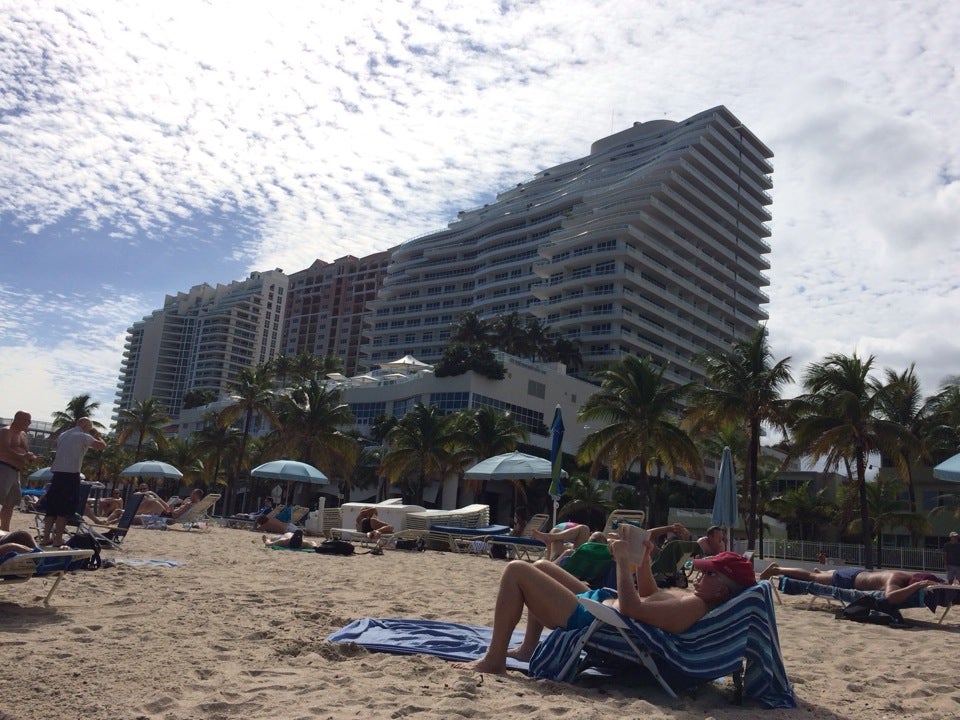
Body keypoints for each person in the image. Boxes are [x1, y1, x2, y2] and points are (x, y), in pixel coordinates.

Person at [454, 531, 757, 674]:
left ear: (722, 590)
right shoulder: (695, 601)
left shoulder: (692, 607)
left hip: (596, 621)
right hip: (601, 607)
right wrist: (646, 561)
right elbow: (651, 596)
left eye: (709, 574)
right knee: (542, 569)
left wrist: (624, 562)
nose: (699, 576)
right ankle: (528, 647)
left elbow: (632, 609)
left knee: (516, 571)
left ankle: (494, 661)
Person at [41, 417, 106, 546]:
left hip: (57, 475)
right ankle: (58, 539)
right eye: (89, 427)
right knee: (63, 510)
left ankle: (45, 538)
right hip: (70, 475)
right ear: (86, 426)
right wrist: (98, 436)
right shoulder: (82, 436)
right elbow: (102, 446)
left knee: (52, 509)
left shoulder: (64, 435)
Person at [758, 563, 943, 606]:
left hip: (856, 574)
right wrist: (916, 587)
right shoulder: (894, 580)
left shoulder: (907, 575)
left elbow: (939, 582)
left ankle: (821, 573)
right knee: (810, 578)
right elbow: (891, 597)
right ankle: (777, 569)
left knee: (818, 576)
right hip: (849, 580)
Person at [0, 411, 39, 532]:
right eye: (27, 420)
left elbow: (25, 452)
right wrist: (22, 456)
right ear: (17, 419)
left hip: (15, 471)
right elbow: (3, 449)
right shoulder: (6, 431)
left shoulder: (23, 435)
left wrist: (33, 458)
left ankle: (5, 530)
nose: (29, 423)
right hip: (3, 467)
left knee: (10, 503)